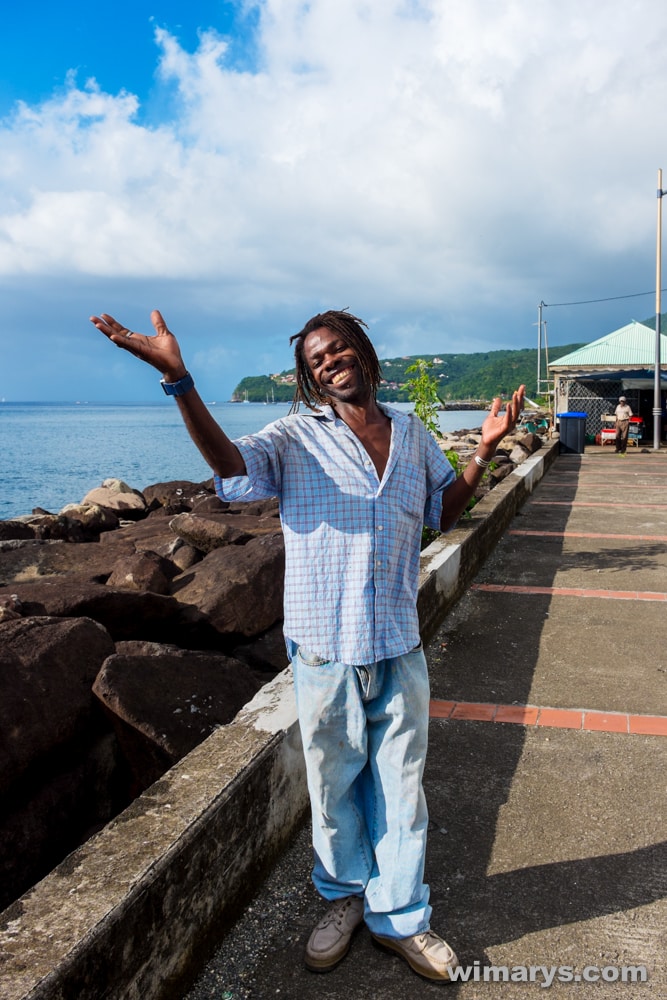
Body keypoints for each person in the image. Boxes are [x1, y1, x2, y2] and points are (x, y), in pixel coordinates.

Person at [90, 307, 525, 982]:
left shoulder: (411, 435)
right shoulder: (294, 437)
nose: (330, 360)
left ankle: (401, 918)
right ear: (311, 378)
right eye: (317, 358)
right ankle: (343, 899)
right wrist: (179, 381)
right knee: (331, 787)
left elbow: (441, 513)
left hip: (397, 643)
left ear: (364, 355)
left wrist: (484, 452)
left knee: (402, 790)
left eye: (339, 349)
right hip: (323, 648)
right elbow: (231, 466)